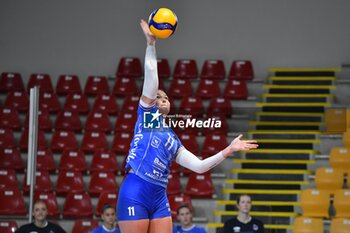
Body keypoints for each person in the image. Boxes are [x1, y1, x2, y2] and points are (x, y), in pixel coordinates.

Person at [116, 19, 259, 233]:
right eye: (157, 97)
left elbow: (200, 167)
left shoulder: (173, 139)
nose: (161, 98)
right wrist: (151, 45)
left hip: (158, 195)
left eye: (165, 97)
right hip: (135, 189)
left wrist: (228, 150)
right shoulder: (146, 117)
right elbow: (152, 78)